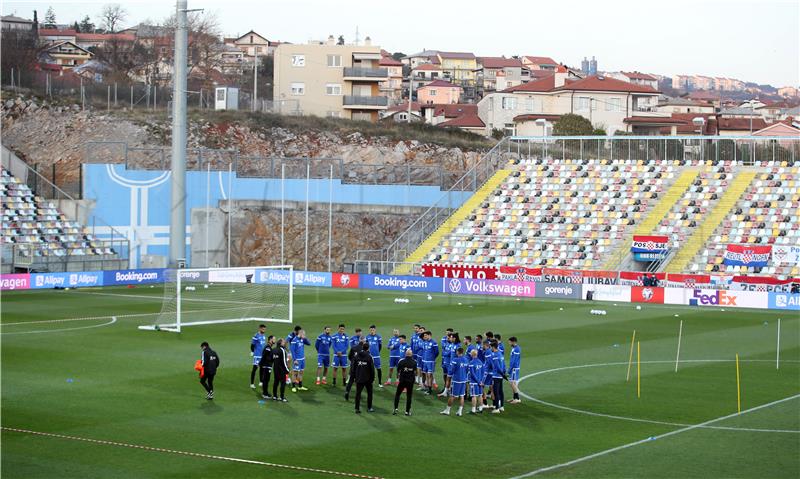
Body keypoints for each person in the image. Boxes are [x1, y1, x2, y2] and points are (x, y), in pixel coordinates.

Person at [440, 347, 469, 417]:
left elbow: (452, 370)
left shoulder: (455, 360)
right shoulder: (466, 360)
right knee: (462, 396)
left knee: (452, 396)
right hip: (463, 380)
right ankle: (460, 411)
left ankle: (447, 410)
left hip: (457, 380)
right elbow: (467, 370)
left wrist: (449, 376)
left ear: (458, 352)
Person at [393, 348, 417, 416]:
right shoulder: (414, 362)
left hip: (402, 380)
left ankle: (395, 409)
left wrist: (398, 379)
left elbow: (398, 371)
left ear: (405, 354)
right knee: (409, 396)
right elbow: (415, 372)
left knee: (397, 394)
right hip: (410, 381)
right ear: (411, 354)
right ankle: (407, 411)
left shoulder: (401, 361)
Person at [353, 343, 375, 414]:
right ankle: (369, 407)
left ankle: (357, 408)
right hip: (368, 379)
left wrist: (354, 377)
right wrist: (372, 379)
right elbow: (372, 369)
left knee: (358, 394)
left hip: (359, 378)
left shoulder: (357, 356)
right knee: (369, 393)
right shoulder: (369, 357)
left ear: (362, 347)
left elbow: (354, 368)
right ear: (368, 348)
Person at [490, 341, 507, 413]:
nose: (490, 348)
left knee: (496, 392)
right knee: (501, 391)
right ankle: (502, 406)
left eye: (491, 347)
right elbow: (504, 365)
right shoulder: (500, 354)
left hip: (496, 376)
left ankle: (497, 408)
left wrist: (502, 374)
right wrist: (503, 373)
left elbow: (497, 366)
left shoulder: (495, 355)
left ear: (493, 347)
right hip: (500, 376)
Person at [420, 330, 439, 394]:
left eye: (425, 335)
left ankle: (430, 389)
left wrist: (432, 358)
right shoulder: (425, 342)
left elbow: (437, 352)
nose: (424, 337)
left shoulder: (434, 342)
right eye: (424, 336)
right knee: (426, 375)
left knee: (429, 375)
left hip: (430, 361)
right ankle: (428, 388)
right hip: (424, 361)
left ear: (429, 335)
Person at [250, 324, 267, 389]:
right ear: (259, 328)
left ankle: (261, 381)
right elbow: (252, 345)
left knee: (262, 368)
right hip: (257, 355)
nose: (264, 330)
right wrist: (252, 351)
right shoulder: (256, 336)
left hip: (262, 355)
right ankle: (252, 383)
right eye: (263, 329)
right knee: (254, 369)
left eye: (265, 329)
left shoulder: (264, 336)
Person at [468, 349, 484, 414]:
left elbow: (472, 374)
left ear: (472, 354)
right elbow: (483, 372)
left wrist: (478, 381)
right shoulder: (480, 362)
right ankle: (480, 409)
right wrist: (481, 381)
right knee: (480, 395)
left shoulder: (471, 363)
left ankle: (473, 410)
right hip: (480, 382)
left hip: (474, 382)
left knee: (474, 396)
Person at [480, 340, 494, 411]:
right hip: (490, 372)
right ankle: (495, 404)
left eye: (483, 345)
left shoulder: (488, 352)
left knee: (481, 386)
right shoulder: (489, 351)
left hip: (487, 372)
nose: (482, 346)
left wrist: (486, 370)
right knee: (492, 388)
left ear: (485, 345)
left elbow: (489, 362)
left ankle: (485, 404)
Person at [507, 336, 522, 404]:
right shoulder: (515, 348)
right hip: (514, 368)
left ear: (513, 342)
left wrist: (509, 370)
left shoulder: (516, 349)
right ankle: (514, 398)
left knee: (512, 383)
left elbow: (514, 361)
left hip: (514, 368)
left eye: (509, 342)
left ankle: (517, 398)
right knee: (514, 383)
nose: (509, 343)